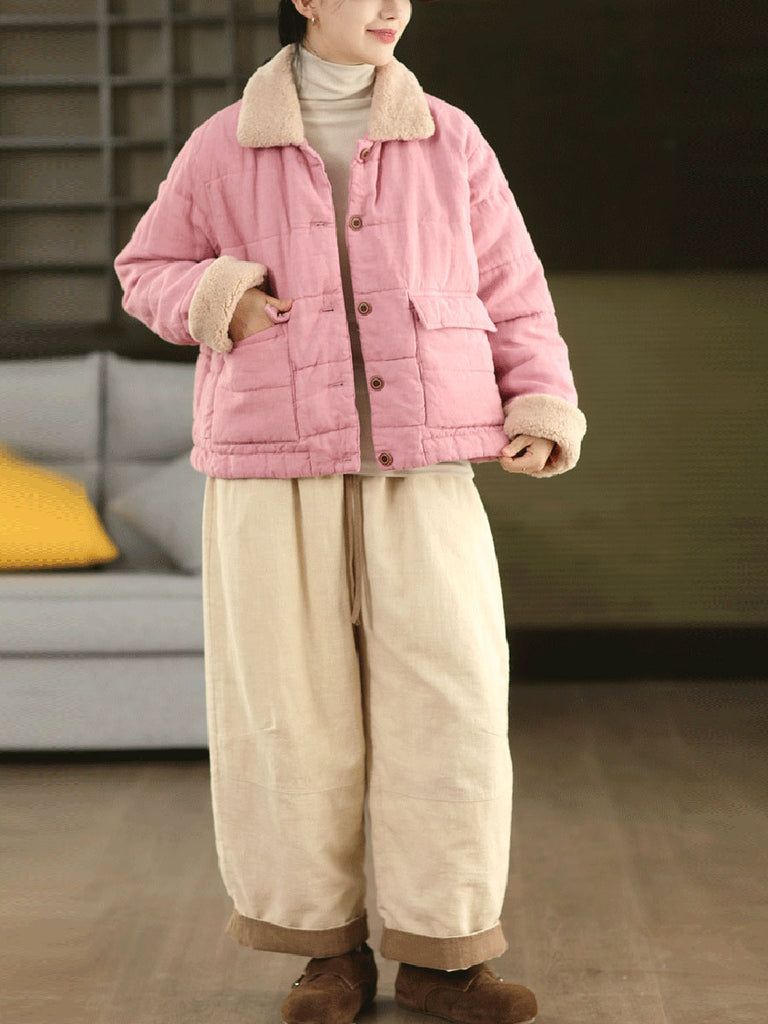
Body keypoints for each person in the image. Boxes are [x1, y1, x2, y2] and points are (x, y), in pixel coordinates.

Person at [114, 2, 587, 1021]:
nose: (389, 7)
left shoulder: (451, 137)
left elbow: (515, 287)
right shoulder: (222, 144)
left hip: (428, 464)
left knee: (450, 708)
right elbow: (144, 271)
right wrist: (224, 296)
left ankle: (442, 956)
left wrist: (541, 401)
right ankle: (325, 955)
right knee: (288, 716)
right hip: (270, 468)